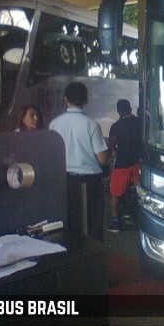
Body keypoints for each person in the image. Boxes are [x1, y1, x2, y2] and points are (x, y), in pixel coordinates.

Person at [50, 82, 109, 241]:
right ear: (85, 101)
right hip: (89, 182)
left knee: (67, 223)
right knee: (92, 225)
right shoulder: (91, 124)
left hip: (63, 181)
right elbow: (102, 159)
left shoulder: (54, 124)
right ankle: (93, 260)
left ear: (65, 99)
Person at [107, 99, 143, 233]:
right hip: (138, 162)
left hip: (122, 163)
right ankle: (144, 219)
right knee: (142, 192)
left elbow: (112, 146)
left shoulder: (115, 127)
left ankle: (115, 222)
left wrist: (114, 152)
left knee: (114, 193)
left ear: (118, 111)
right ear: (130, 108)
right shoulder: (140, 122)